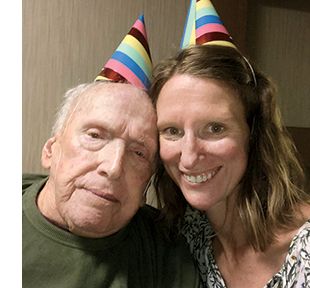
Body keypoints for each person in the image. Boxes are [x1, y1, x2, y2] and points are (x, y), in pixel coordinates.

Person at [150, 44, 310, 287]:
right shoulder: (187, 237)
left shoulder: (304, 248)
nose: (189, 158)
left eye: (215, 128)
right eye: (172, 131)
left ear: (254, 134)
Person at [22, 81, 200, 288]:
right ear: (50, 151)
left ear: (146, 184)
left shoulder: (169, 256)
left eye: (138, 153)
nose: (114, 167)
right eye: (95, 136)